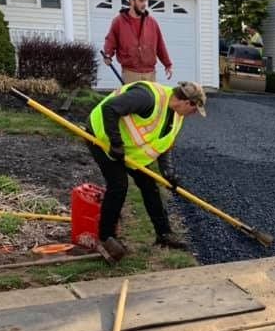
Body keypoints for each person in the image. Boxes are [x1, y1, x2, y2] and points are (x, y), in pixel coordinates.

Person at [86, 79, 207, 260]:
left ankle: (164, 234)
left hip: (128, 150)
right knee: (119, 185)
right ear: (186, 102)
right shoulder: (147, 97)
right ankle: (106, 237)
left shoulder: (177, 114)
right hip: (101, 136)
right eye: (194, 109)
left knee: (149, 186)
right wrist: (116, 143)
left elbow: (164, 144)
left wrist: (168, 172)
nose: (193, 114)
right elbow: (110, 108)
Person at [103, 0, 173, 84]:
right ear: (131, 1)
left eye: (145, 1)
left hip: (150, 74)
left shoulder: (152, 22)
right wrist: (107, 55)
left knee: (150, 99)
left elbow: (160, 45)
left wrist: (168, 64)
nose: (144, 4)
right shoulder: (119, 22)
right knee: (132, 99)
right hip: (130, 73)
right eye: (141, 1)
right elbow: (110, 40)